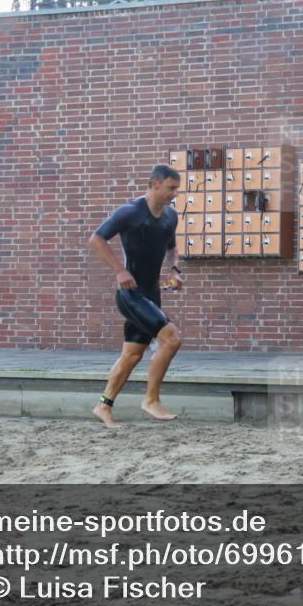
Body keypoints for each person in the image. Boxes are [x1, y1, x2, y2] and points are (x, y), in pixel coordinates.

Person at [88, 165, 185, 429]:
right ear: (155, 184)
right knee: (172, 338)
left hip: (151, 294)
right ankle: (151, 400)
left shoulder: (170, 217)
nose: (175, 194)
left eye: (176, 189)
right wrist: (119, 270)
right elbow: (96, 239)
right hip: (131, 295)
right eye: (171, 188)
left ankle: (103, 405)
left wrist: (174, 269)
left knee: (132, 354)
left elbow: (171, 247)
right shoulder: (130, 212)